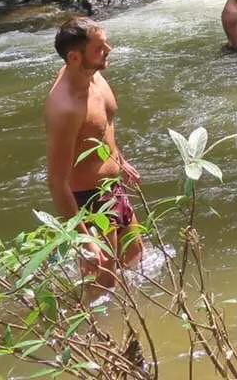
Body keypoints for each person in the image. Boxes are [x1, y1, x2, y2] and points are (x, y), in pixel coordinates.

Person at [43, 17, 143, 286]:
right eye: (99, 48)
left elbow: (102, 129)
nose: (108, 50)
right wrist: (84, 240)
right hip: (89, 200)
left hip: (113, 188)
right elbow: (56, 182)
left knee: (136, 258)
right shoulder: (65, 108)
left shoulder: (93, 75)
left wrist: (120, 161)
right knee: (104, 284)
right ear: (75, 58)